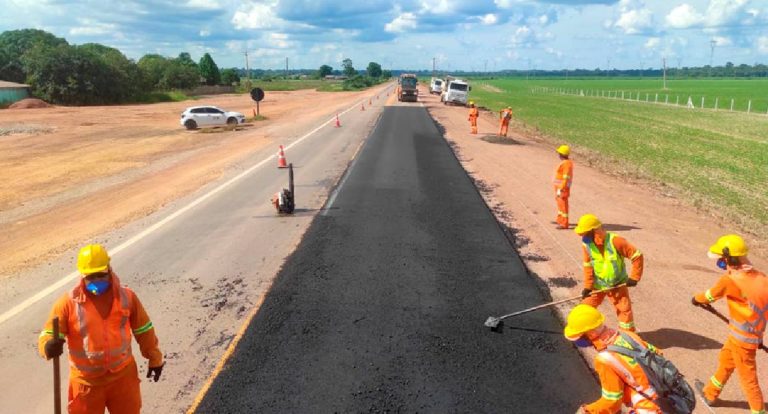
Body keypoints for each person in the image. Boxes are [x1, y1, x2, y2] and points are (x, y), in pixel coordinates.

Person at [39, 244, 165, 414]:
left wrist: (154, 357)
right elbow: (48, 332)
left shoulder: (127, 297)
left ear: (109, 269)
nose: (96, 281)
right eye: (91, 277)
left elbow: (144, 329)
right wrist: (48, 346)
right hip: (86, 385)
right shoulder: (68, 303)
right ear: (82, 275)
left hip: (123, 379)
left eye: (101, 275)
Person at [692, 235, 768, 413]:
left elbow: (709, 296)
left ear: (728, 259)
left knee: (749, 380)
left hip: (742, 340)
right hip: (748, 334)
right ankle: (710, 393)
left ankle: (758, 410)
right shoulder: (761, 277)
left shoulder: (731, 280)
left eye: (720, 260)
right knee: (726, 361)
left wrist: (696, 299)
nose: (719, 263)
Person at [565, 304, 662, 414]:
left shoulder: (605, 359)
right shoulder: (628, 335)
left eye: (579, 336)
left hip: (649, 408)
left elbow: (612, 401)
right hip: (673, 397)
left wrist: (587, 411)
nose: (578, 340)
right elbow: (657, 353)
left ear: (591, 334)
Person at [574, 214, 644, 332]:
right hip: (598, 285)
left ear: (595, 231)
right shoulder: (587, 244)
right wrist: (588, 287)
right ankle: (587, 333)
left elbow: (637, 256)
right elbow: (588, 266)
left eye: (585, 233)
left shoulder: (615, 241)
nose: (583, 236)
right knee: (584, 308)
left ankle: (629, 338)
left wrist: (634, 277)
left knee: (624, 312)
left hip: (617, 284)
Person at [553, 145, 573, 229]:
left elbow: (566, 178)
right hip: (559, 187)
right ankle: (560, 220)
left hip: (562, 188)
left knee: (563, 204)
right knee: (560, 203)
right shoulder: (565, 163)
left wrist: (562, 188)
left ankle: (564, 223)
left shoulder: (567, 164)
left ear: (561, 154)